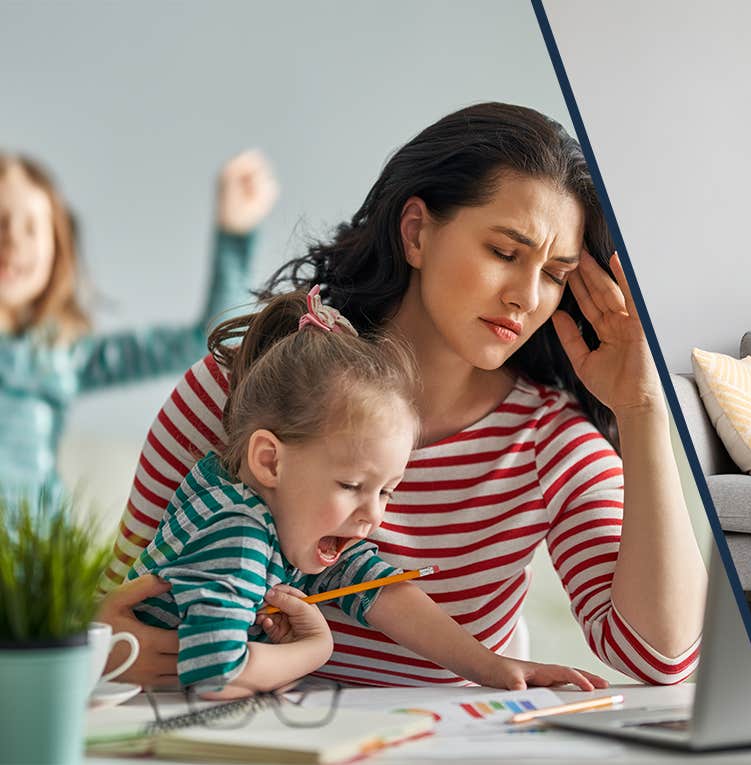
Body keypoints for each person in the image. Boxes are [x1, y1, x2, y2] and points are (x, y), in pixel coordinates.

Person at [97, 102, 707, 688]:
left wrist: (642, 410)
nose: (526, 296)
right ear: (416, 233)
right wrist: (108, 650)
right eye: (504, 252)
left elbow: (660, 658)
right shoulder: (247, 385)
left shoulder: (549, 442)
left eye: (554, 274)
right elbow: (109, 601)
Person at [128, 288, 606, 696]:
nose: (372, 517)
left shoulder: (278, 514)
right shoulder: (237, 536)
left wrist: (492, 666)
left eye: (387, 492)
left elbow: (377, 587)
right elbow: (215, 673)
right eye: (352, 486)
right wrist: (314, 650)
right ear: (269, 460)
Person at [0, 149, 276, 499]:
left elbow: (207, 341)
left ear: (57, 248)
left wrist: (234, 238)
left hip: (35, 548)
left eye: (30, 228)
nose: (12, 241)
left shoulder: (61, 354)